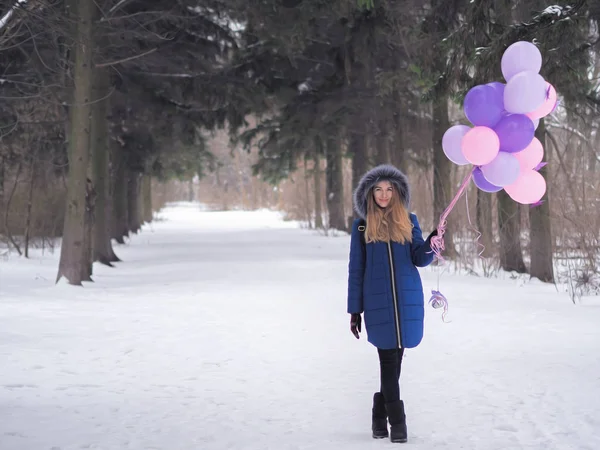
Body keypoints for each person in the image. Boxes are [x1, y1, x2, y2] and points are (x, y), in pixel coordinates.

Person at [347, 164, 437, 443]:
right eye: (378, 189)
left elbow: (419, 258)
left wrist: (432, 242)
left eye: (389, 189)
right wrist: (354, 310)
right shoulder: (362, 226)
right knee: (387, 361)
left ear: (397, 192)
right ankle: (397, 423)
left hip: (407, 300)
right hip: (377, 302)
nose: (384, 195)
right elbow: (356, 269)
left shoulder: (409, 221)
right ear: (369, 193)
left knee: (396, 362)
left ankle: (378, 414)